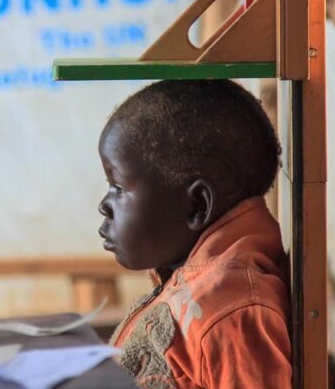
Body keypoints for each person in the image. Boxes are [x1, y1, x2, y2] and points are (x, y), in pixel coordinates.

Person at [97, 80, 291, 388]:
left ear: (197, 205)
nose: (104, 206)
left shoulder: (231, 310)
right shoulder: (194, 279)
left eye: (118, 188)